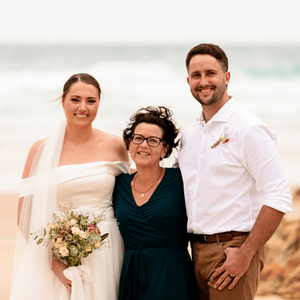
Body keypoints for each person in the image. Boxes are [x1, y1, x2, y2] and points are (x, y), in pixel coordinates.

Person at [175, 43, 293, 300]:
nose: (203, 81)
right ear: (188, 81)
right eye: (196, 75)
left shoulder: (248, 129)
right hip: (194, 252)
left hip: (233, 250)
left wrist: (246, 253)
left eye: (210, 73)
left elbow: (279, 196)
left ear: (226, 77)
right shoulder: (189, 135)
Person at [10, 73, 129, 300]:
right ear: (63, 101)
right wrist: (53, 262)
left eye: (91, 101)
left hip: (107, 253)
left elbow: (129, 199)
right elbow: (24, 216)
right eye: (75, 99)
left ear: (98, 104)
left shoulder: (116, 146)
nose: (83, 107)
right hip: (57, 257)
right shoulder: (40, 150)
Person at [113, 106, 197, 300]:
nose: (144, 145)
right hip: (132, 274)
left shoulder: (180, 180)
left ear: (165, 149)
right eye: (138, 138)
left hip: (172, 273)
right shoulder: (119, 184)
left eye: (153, 141)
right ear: (129, 142)